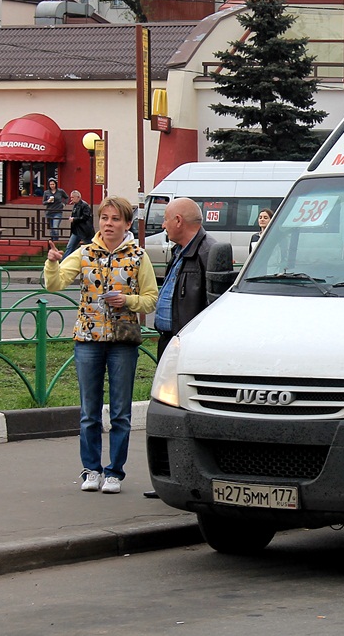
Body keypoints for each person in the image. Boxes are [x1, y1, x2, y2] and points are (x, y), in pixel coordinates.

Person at [43, 196, 158, 495]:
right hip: (88, 340)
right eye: (104, 218)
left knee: (120, 412)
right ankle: (91, 469)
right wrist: (52, 263)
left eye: (115, 219)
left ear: (127, 224)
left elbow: (150, 297)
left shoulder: (137, 256)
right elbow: (54, 285)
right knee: (89, 411)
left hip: (122, 341)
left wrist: (128, 301)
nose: (108, 224)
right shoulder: (84, 253)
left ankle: (114, 472)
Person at [154, 197, 216, 360]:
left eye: (165, 219)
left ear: (178, 221)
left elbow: (215, 305)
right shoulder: (179, 251)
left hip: (189, 346)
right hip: (171, 340)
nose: (163, 225)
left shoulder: (207, 252)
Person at [63, 190, 94, 259]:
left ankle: (94, 260)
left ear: (78, 197)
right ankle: (63, 263)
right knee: (70, 247)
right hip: (76, 231)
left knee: (90, 247)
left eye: (72, 197)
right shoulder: (76, 205)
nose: (71, 199)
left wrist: (74, 219)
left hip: (84, 230)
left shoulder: (84, 205)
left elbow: (85, 217)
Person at [42, 178, 68, 242]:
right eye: (50, 184)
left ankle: (56, 242)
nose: (52, 186)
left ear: (55, 184)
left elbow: (66, 197)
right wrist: (48, 201)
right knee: (51, 229)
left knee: (55, 227)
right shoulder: (46, 192)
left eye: (53, 184)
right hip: (49, 212)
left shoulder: (60, 191)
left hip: (58, 211)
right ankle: (52, 242)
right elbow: (43, 202)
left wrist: (64, 204)